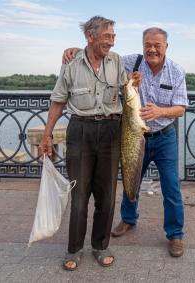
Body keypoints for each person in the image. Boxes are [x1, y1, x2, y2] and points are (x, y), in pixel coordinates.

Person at [63, 27, 188, 257]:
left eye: (157, 46)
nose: (152, 49)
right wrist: (75, 50)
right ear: (143, 45)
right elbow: (101, 52)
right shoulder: (130, 62)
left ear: (166, 47)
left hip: (163, 137)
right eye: (148, 45)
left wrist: (160, 111)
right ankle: (128, 219)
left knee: (171, 187)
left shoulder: (176, 72)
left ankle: (175, 235)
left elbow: (181, 109)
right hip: (132, 135)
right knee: (131, 180)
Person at [39, 16, 139, 271]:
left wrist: (133, 84)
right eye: (107, 36)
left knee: (106, 196)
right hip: (80, 131)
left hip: (110, 131)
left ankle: (100, 246)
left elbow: (129, 89)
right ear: (90, 37)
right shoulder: (71, 63)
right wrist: (47, 135)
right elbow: (58, 101)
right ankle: (74, 249)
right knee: (79, 195)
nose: (111, 41)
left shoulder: (116, 61)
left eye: (113, 36)